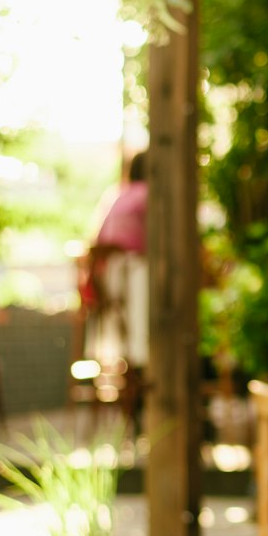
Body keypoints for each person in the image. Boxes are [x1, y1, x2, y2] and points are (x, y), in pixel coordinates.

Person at [81, 150, 150, 377]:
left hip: (107, 282)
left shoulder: (117, 196)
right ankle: (142, 355)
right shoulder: (149, 196)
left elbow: (98, 239)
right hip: (130, 280)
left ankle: (134, 355)